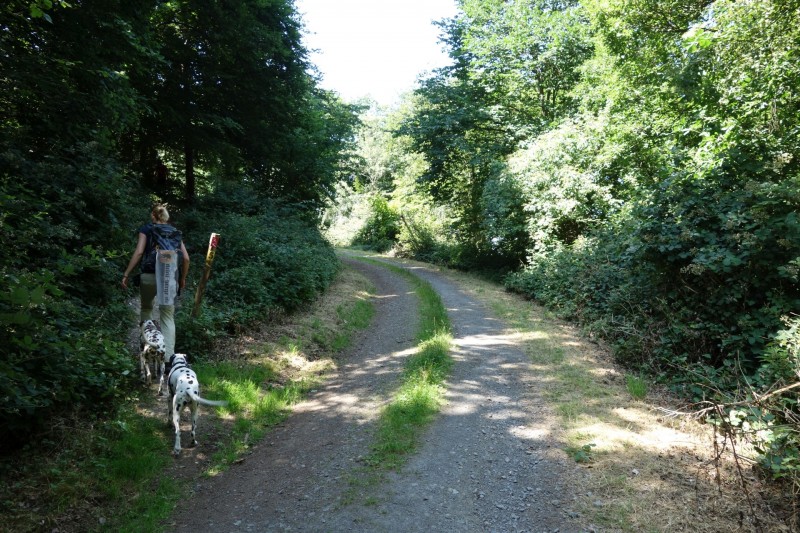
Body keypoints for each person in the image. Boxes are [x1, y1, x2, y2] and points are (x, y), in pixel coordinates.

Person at [121, 204, 190, 360]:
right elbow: (186, 258)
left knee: (146, 308)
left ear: (153, 216)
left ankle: (146, 345)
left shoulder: (146, 229)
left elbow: (139, 252)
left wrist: (126, 273)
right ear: (166, 217)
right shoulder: (175, 233)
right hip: (169, 278)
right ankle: (169, 360)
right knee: (167, 316)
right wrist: (182, 278)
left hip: (148, 276)